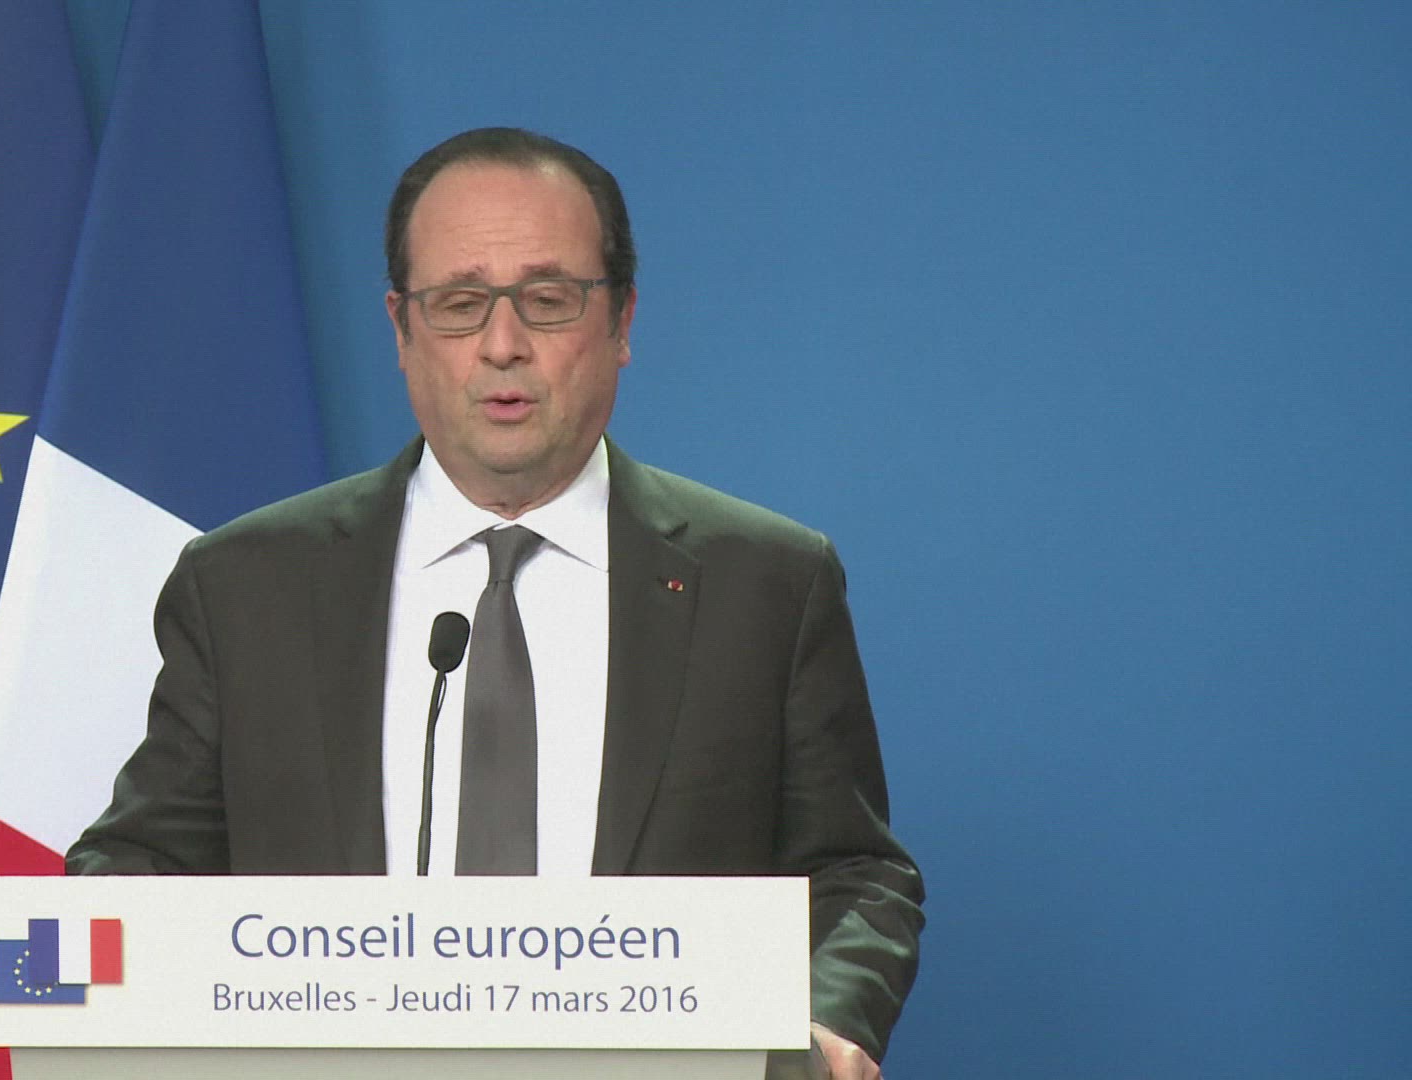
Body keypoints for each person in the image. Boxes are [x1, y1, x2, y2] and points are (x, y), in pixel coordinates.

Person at [67, 127, 924, 1079]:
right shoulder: (244, 586)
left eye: (548, 301)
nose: (503, 345)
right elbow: (138, 867)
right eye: (459, 304)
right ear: (401, 331)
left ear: (623, 321)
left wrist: (827, 1024)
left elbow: (855, 873)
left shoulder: (766, 584)